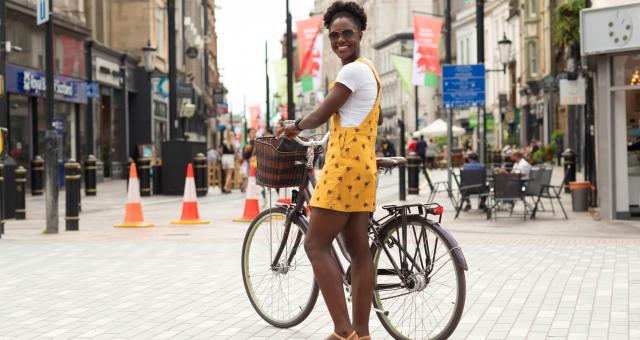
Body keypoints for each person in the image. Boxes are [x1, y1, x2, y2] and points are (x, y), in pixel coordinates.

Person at [283, 2, 377, 338]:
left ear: (360, 34)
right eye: (334, 35)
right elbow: (347, 121)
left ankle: (342, 331)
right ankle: (361, 334)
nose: (341, 40)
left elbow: (322, 113)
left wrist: (294, 126)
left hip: (344, 169)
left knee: (315, 245)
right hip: (363, 167)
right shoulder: (369, 70)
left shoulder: (351, 71)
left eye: (347, 33)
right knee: (358, 251)